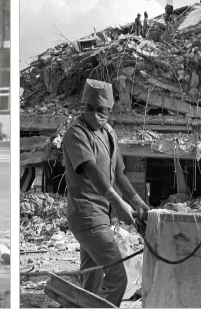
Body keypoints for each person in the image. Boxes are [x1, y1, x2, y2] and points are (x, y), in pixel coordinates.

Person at [60, 79, 150, 307]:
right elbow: (91, 169)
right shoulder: (76, 133)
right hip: (86, 215)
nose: (93, 114)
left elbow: (119, 174)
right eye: (88, 108)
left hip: (101, 216)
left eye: (100, 110)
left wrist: (137, 201)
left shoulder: (109, 133)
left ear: (109, 111)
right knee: (117, 278)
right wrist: (117, 202)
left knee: (92, 279)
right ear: (83, 105)